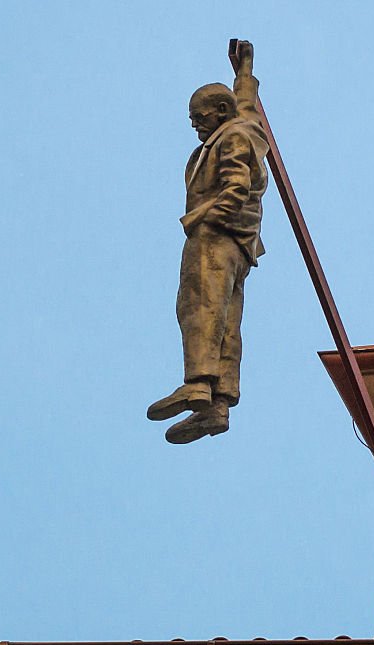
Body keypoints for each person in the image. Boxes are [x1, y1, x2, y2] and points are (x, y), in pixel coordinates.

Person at [147, 40, 269, 444]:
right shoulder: (244, 126)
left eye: (199, 117)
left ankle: (198, 383)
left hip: (216, 237)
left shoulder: (231, 138)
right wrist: (244, 76)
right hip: (242, 247)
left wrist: (203, 219)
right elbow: (245, 106)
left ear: (219, 114)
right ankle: (217, 404)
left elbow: (235, 187)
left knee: (200, 307)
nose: (194, 125)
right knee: (228, 323)